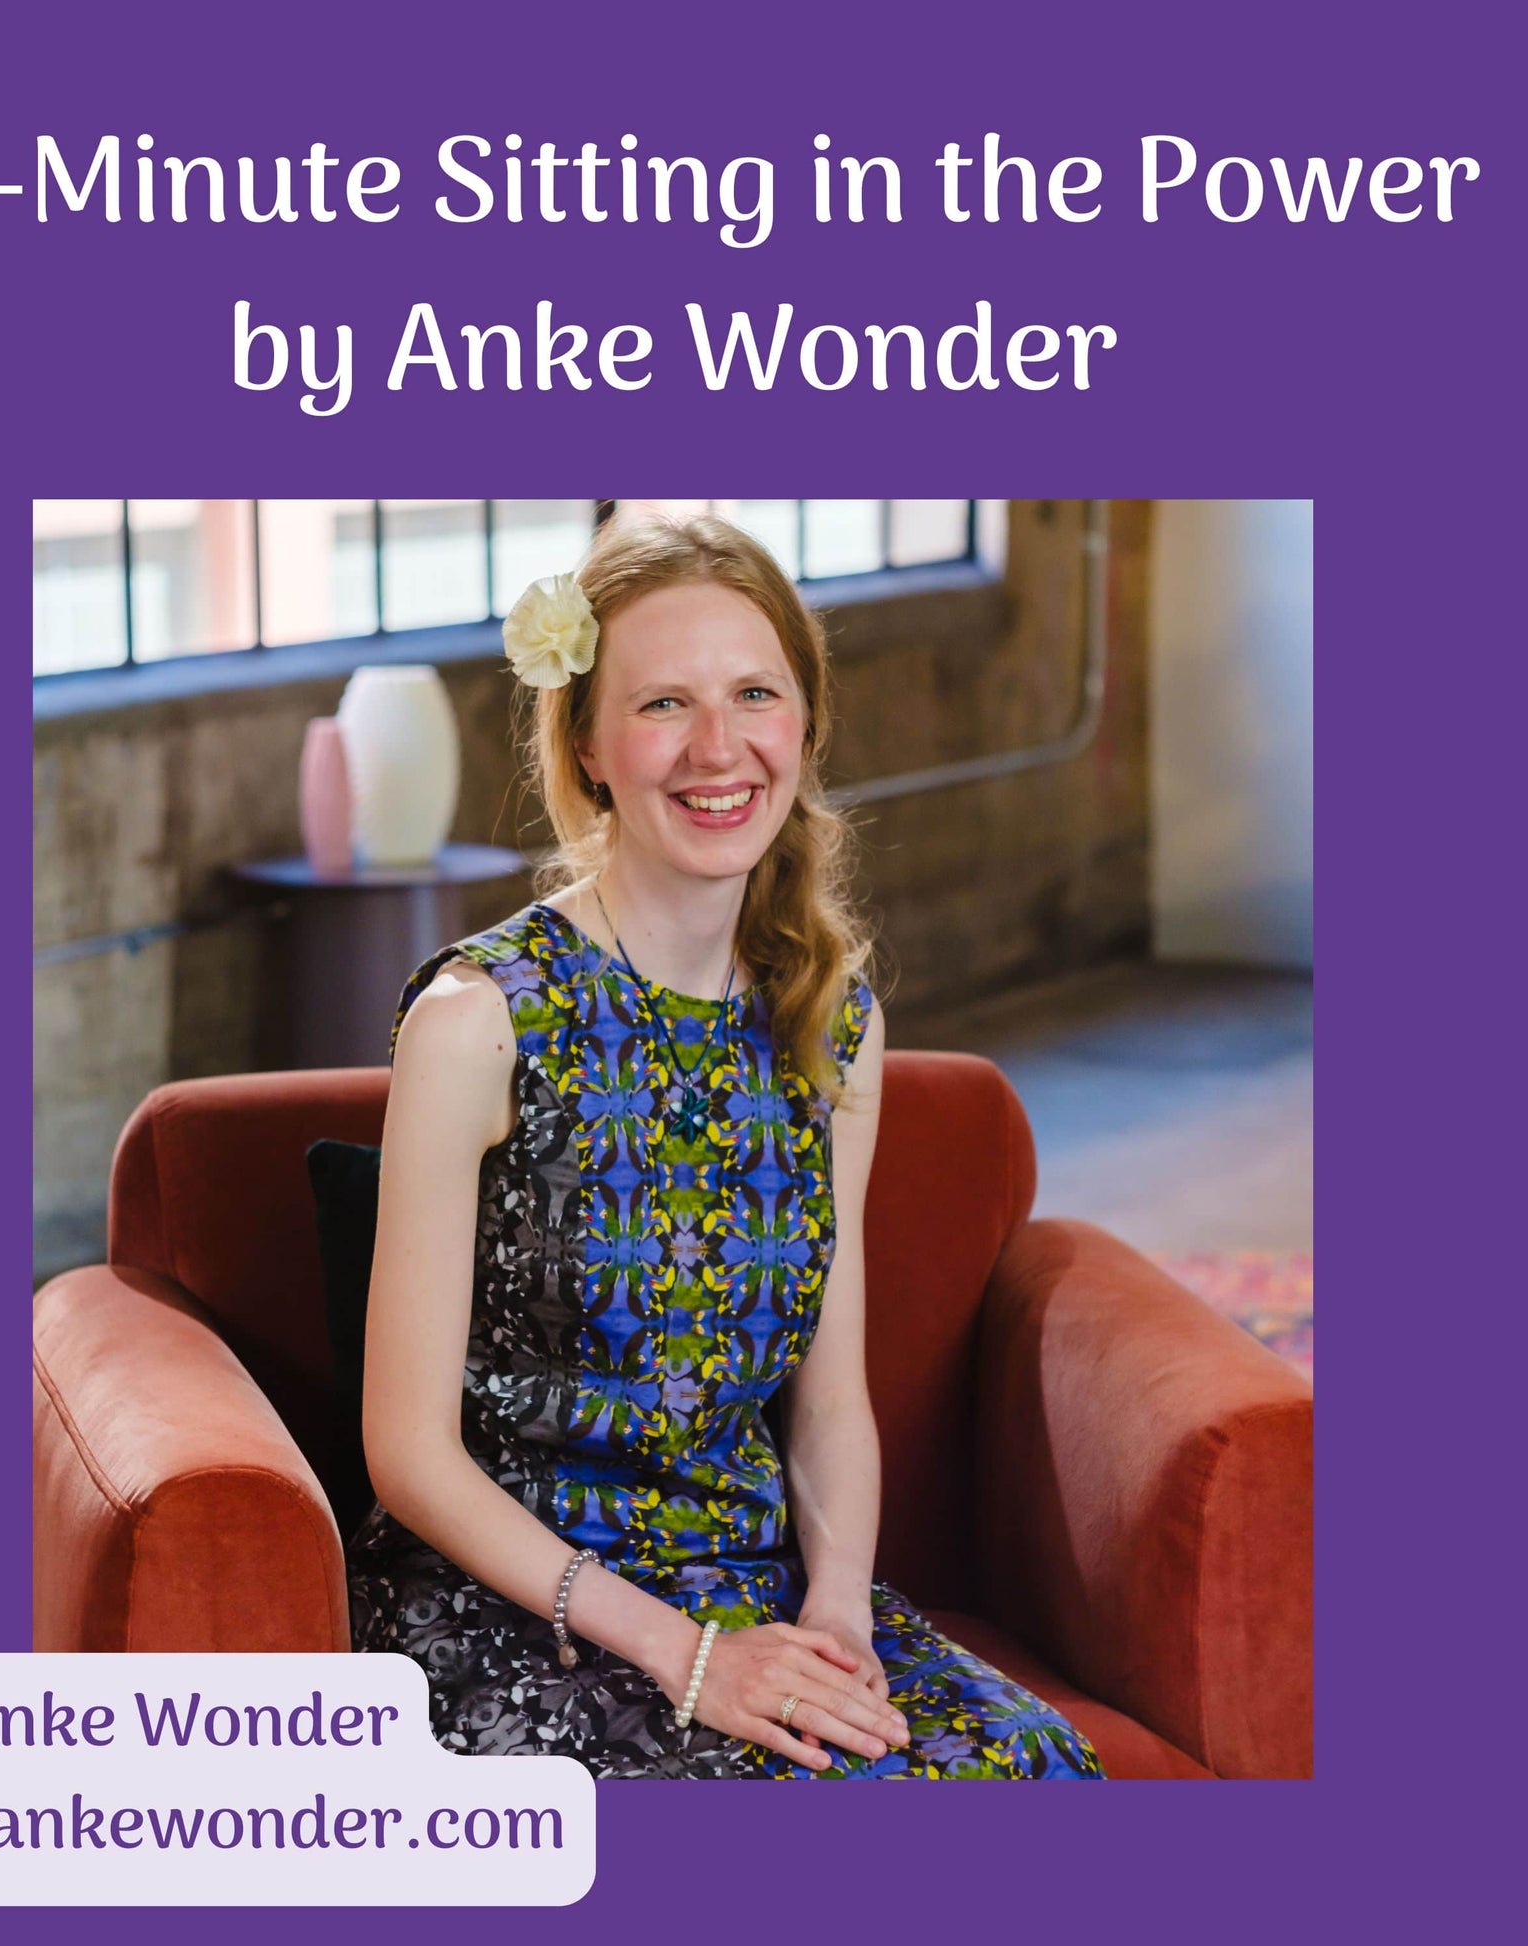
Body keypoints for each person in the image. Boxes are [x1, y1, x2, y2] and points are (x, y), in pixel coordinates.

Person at [348, 513, 1104, 1780]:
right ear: (585, 743)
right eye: (661, 703)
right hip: (515, 1610)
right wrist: (686, 1654)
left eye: (754, 693)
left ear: (803, 725)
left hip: (747, 1587)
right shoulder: (478, 1020)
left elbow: (825, 1395)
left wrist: (838, 1617)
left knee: (1027, 1770)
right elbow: (407, 1453)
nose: (718, 747)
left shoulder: (828, 1020)